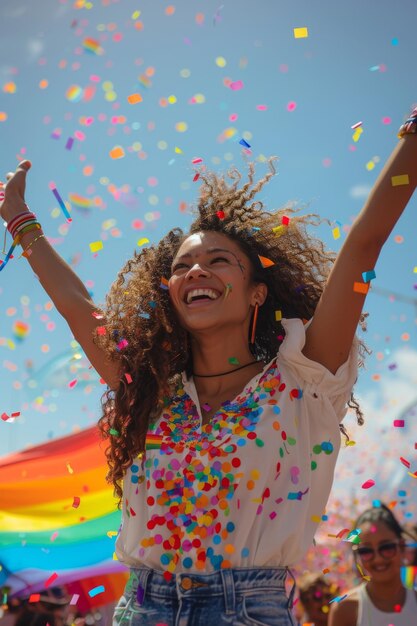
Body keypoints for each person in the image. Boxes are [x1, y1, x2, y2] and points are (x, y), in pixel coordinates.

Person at [1, 106, 416, 626]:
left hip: (249, 611)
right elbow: (76, 306)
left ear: (257, 292)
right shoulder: (149, 390)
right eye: (182, 266)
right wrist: (20, 220)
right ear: (171, 294)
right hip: (142, 608)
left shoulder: (304, 379)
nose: (197, 269)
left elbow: (363, 245)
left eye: (219, 260)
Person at [328, 503, 417, 626]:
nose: (378, 559)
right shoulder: (345, 609)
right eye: (366, 551)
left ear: (401, 546)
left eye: (386, 547)